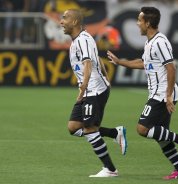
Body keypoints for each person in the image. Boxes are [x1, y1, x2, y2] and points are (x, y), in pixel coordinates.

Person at [107, 6, 178, 180]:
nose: (137, 23)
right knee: (161, 135)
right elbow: (143, 63)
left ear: (147, 23)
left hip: (162, 95)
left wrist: (168, 96)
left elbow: (171, 68)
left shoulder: (160, 42)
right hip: (158, 93)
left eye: (139, 20)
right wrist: (120, 62)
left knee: (142, 129)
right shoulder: (150, 42)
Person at [60, 9, 127, 178]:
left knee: (90, 129)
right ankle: (115, 133)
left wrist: (83, 88)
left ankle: (110, 169)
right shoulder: (80, 40)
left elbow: (88, 63)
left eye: (65, 18)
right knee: (74, 128)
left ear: (75, 22)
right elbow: (97, 59)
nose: (61, 22)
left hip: (93, 90)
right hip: (90, 89)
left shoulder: (82, 39)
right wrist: (106, 77)